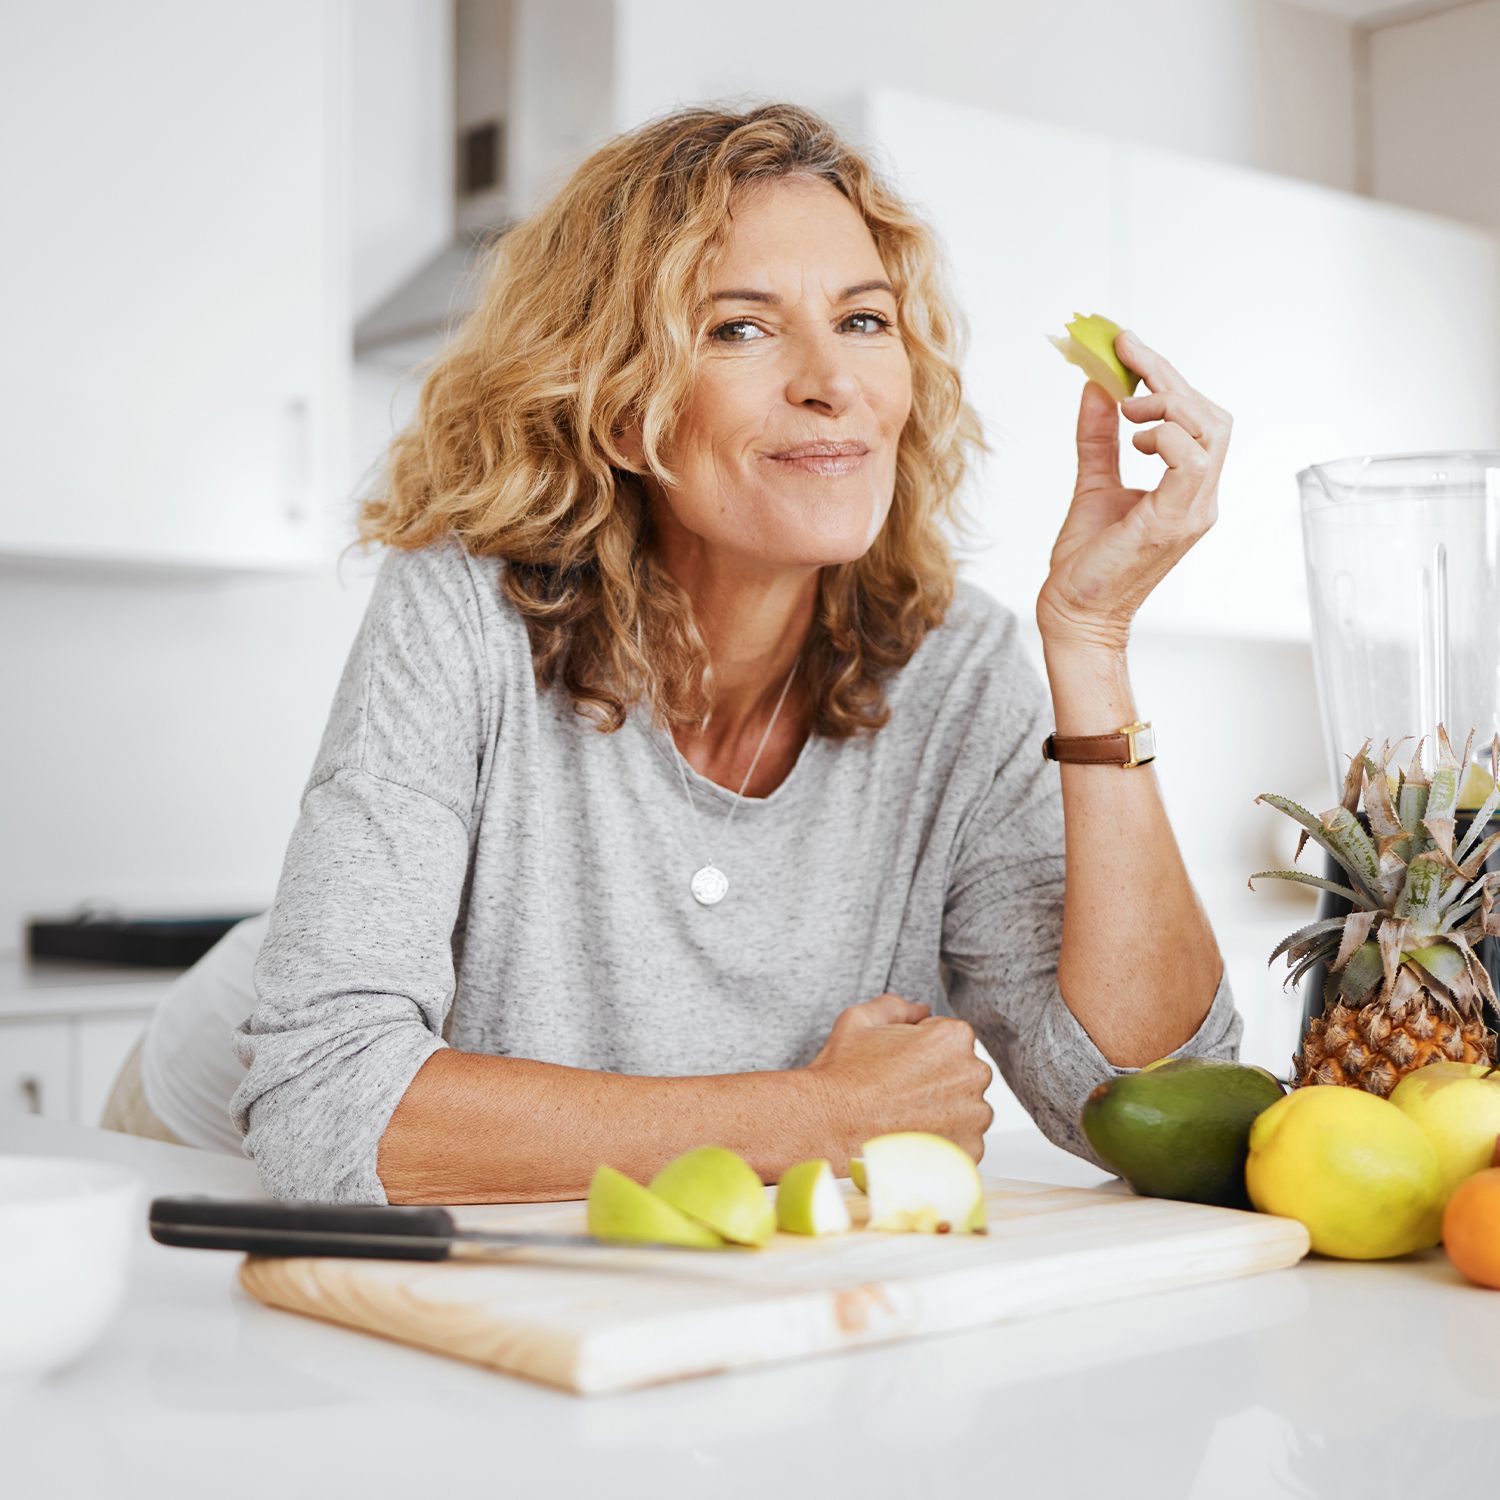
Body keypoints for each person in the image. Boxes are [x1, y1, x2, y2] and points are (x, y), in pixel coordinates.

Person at [228, 102, 1241, 1206]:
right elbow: (321, 1102)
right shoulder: (463, 610)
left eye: (864, 320)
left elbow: (1161, 1106)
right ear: (620, 409)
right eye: (740, 329)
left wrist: (1090, 646)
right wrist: (821, 1118)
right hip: (196, 1142)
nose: (832, 381)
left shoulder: (959, 672)